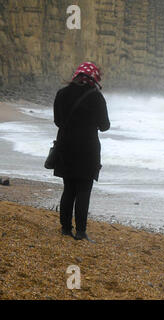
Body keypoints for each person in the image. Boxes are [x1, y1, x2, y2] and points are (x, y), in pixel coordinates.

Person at [53, 62, 110, 241]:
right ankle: (81, 232)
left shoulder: (62, 94)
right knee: (84, 190)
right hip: (88, 150)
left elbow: (58, 121)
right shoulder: (96, 97)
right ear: (94, 78)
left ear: (76, 75)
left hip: (65, 147)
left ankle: (65, 229)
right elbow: (105, 126)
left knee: (68, 188)